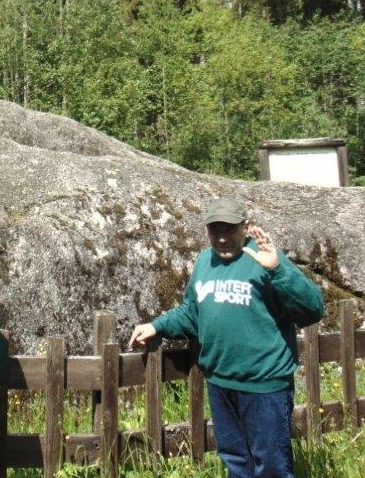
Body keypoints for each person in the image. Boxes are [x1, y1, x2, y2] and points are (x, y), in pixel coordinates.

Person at [129, 196, 324, 478]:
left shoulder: (265, 257)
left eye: (229, 229)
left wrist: (278, 269)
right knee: (236, 463)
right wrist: (157, 326)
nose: (221, 239)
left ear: (245, 226)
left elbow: (312, 309)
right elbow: (192, 311)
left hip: (264, 386)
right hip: (220, 382)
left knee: (271, 467)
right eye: (215, 230)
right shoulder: (204, 261)